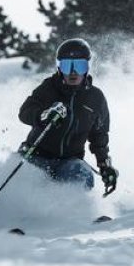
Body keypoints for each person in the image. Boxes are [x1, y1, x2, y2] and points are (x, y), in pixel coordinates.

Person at [18, 38, 118, 196]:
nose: (73, 72)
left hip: (69, 162)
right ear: (59, 67)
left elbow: (99, 135)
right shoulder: (48, 88)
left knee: (82, 175)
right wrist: (44, 116)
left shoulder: (95, 98)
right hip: (37, 156)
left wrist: (105, 165)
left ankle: (72, 216)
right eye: (67, 65)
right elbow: (25, 112)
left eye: (79, 66)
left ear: (87, 67)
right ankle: (24, 215)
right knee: (29, 183)